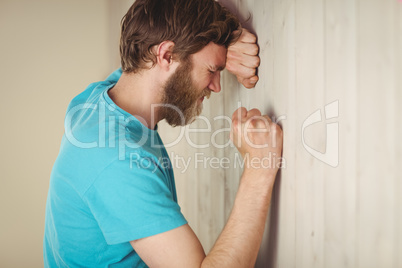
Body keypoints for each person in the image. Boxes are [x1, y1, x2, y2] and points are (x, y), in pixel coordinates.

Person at [43, 0, 283, 267]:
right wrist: (259, 165)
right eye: (212, 70)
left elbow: (167, 16)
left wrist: (228, 37)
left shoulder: (98, 102)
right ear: (166, 55)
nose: (216, 86)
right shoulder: (116, 161)